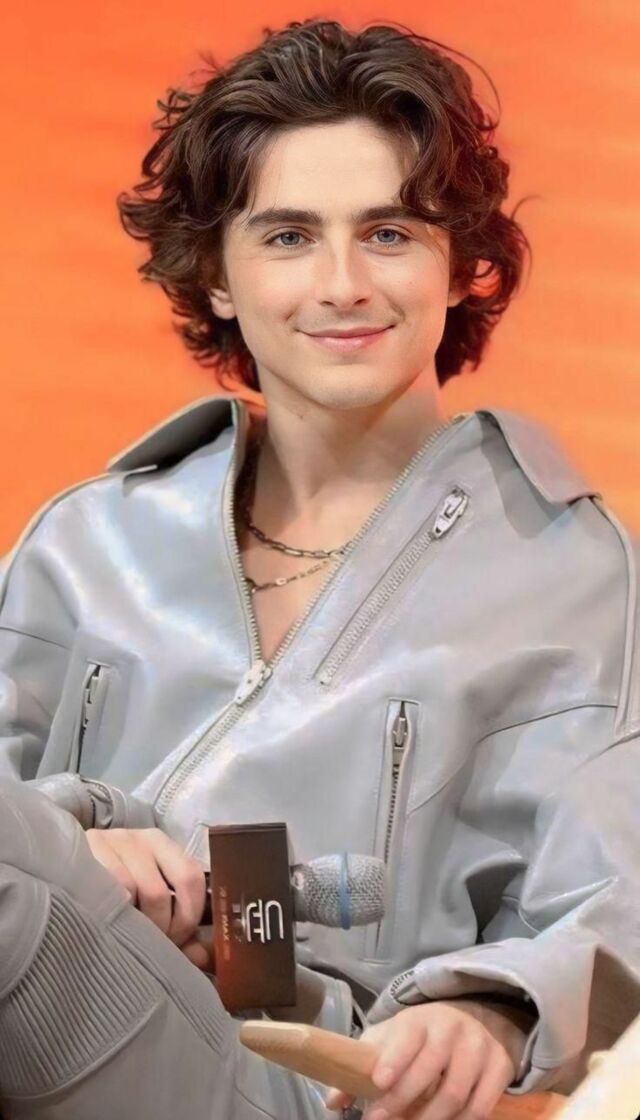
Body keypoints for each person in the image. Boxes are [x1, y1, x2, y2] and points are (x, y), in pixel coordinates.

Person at [0, 16, 638, 1120]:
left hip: (302, 1073)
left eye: (388, 232)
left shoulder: (575, 572)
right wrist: (80, 837)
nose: (342, 284)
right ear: (217, 277)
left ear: (459, 264)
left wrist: (491, 1008)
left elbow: (613, 897)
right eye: (289, 236)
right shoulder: (91, 536)